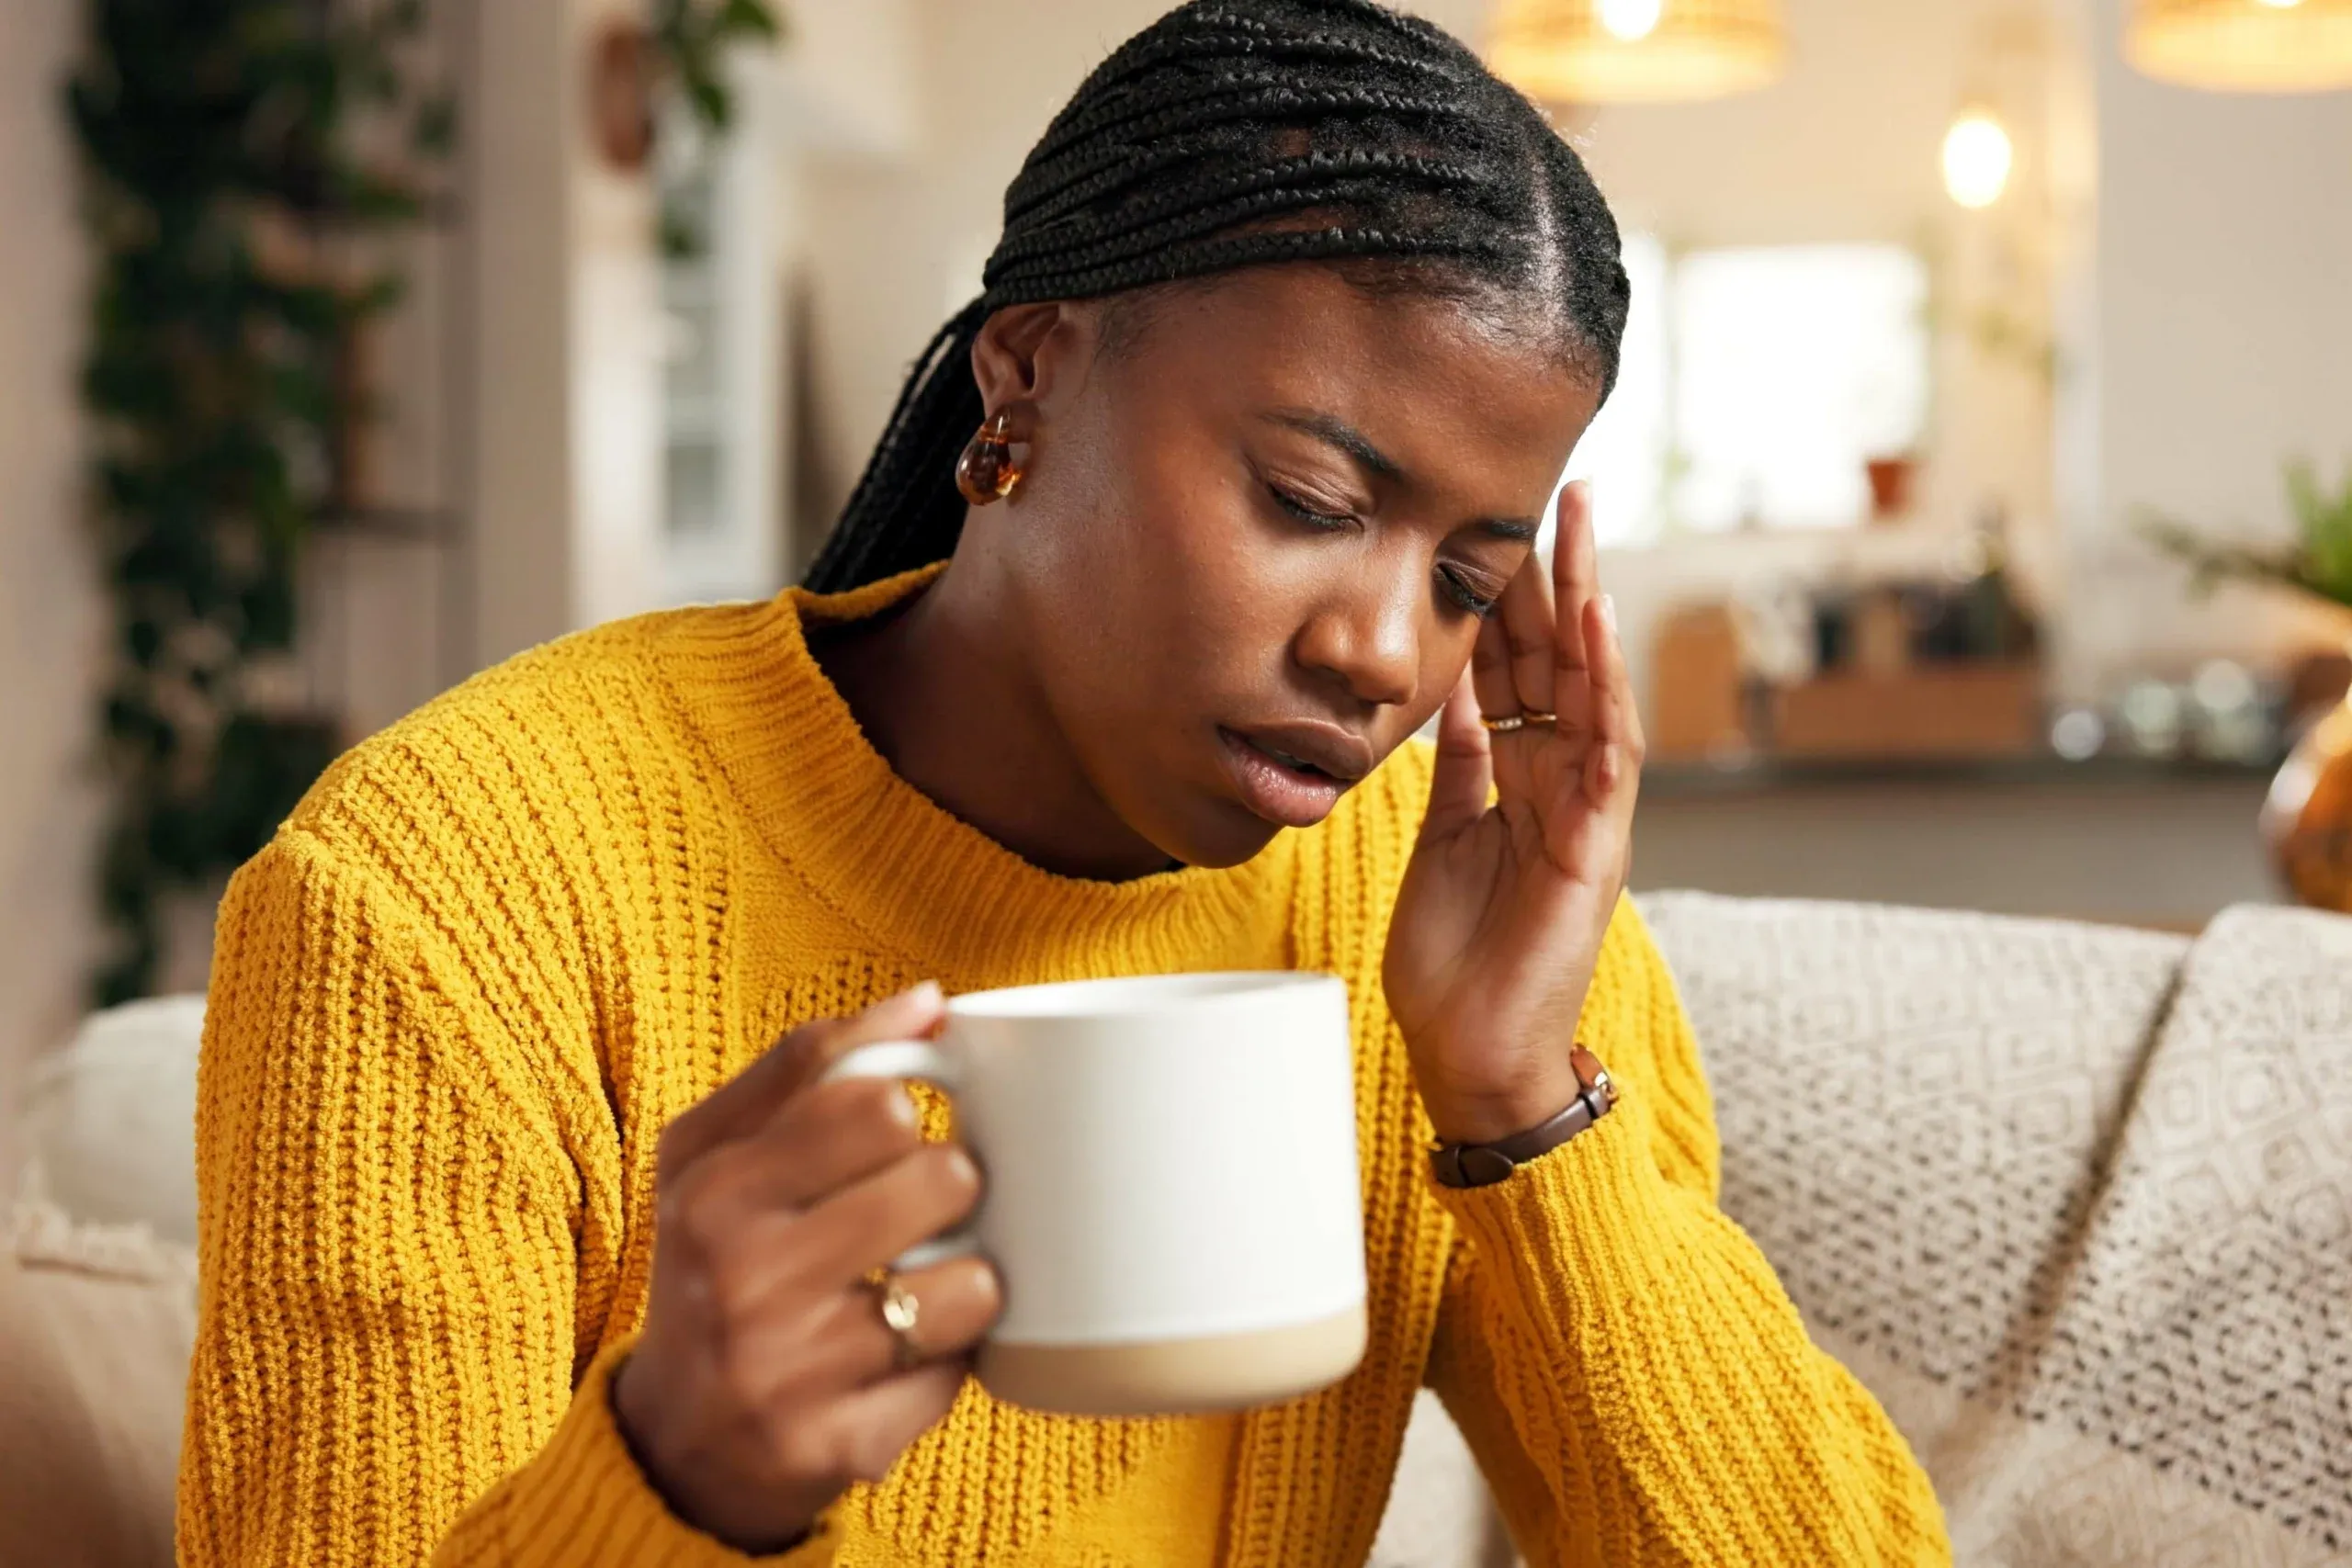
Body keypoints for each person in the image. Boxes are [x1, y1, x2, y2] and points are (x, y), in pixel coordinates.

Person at [179, 2, 1949, 1563]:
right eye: (1314, 506)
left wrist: (1518, 1107)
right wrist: (672, 1480)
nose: (1385, 655)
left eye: (1466, 582)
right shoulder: (448, 893)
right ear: (1025, 371)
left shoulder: (1446, 901)